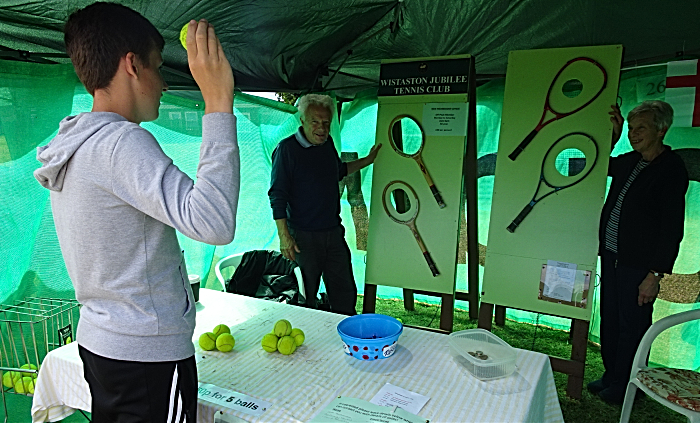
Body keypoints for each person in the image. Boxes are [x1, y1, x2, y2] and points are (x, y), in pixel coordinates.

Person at [33, 3, 239, 421]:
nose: (163, 84)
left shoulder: (76, 144)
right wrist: (218, 103)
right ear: (132, 65)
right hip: (147, 356)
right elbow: (213, 220)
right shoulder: (120, 143)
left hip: (102, 342)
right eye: (158, 67)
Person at [588, 101, 689, 404]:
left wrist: (654, 275)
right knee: (610, 317)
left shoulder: (671, 170)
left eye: (640, 128)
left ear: (661, 130)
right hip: (612, 257)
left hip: (639, 264)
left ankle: (629, 384)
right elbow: (601, 163)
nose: (634, 134)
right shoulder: (631, 161)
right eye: (631, 129)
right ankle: (612, 375)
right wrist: (614, 136)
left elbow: (672, 229)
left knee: (632, 324)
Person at [268, 94, 381, 315]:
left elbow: (338, 171)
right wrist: (284, 236)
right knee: (305, 295)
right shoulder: (287, 150)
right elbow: (277, 195)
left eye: (326, 123)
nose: (322, 128)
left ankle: (346, 337)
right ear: (302, 121)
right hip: (303, 237)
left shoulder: (327, 144)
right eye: (315, 122)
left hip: (333, 233)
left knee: (344, 292)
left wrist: (368, 160)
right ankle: (309, 342)